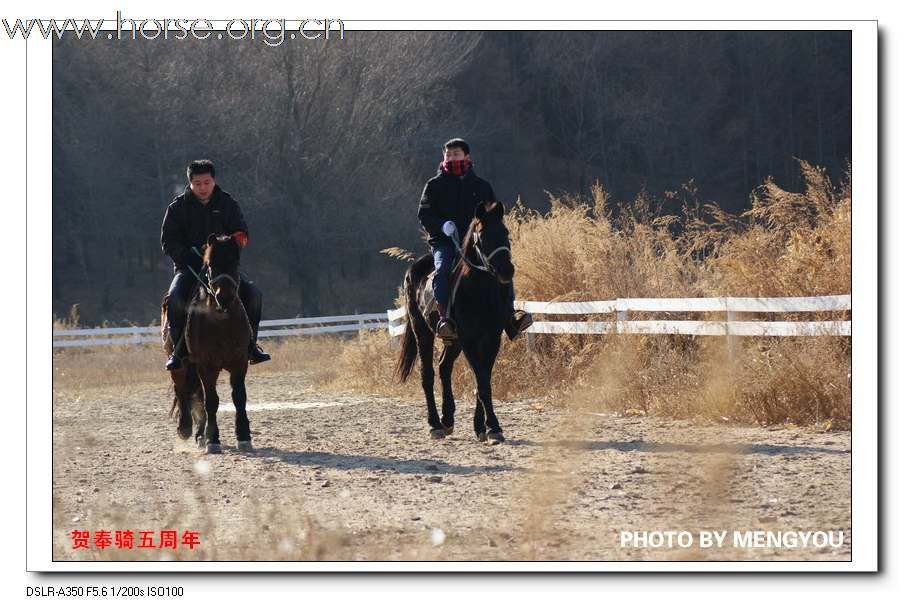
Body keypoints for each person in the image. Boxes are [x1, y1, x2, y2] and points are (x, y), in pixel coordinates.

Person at [417, 138, 532, 341]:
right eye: (448, 154)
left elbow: (494, 215)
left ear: (466, 157)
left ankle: (511, 316)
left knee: (502, 266)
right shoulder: (433, 186)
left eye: (456, 154)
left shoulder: (482, 186)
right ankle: (445, 320)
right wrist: (442, 226)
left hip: (477, 243)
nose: (451, 157)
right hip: (445, 242)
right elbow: (424, 215)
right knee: (442, 270)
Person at [161, 159, 270, 370]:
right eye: (198, 183)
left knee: (255, 294)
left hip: (223, 270)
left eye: (207, 182)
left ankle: (251, 346)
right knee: (174, 299)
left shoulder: (227, 203)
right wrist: (186, 256)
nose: (203, 187)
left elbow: (242, 234)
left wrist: (226, 250)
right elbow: (168, 241)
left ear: (214, 181)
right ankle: (178, 351)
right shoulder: (177, 208)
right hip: (188, 269)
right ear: (190, 183)